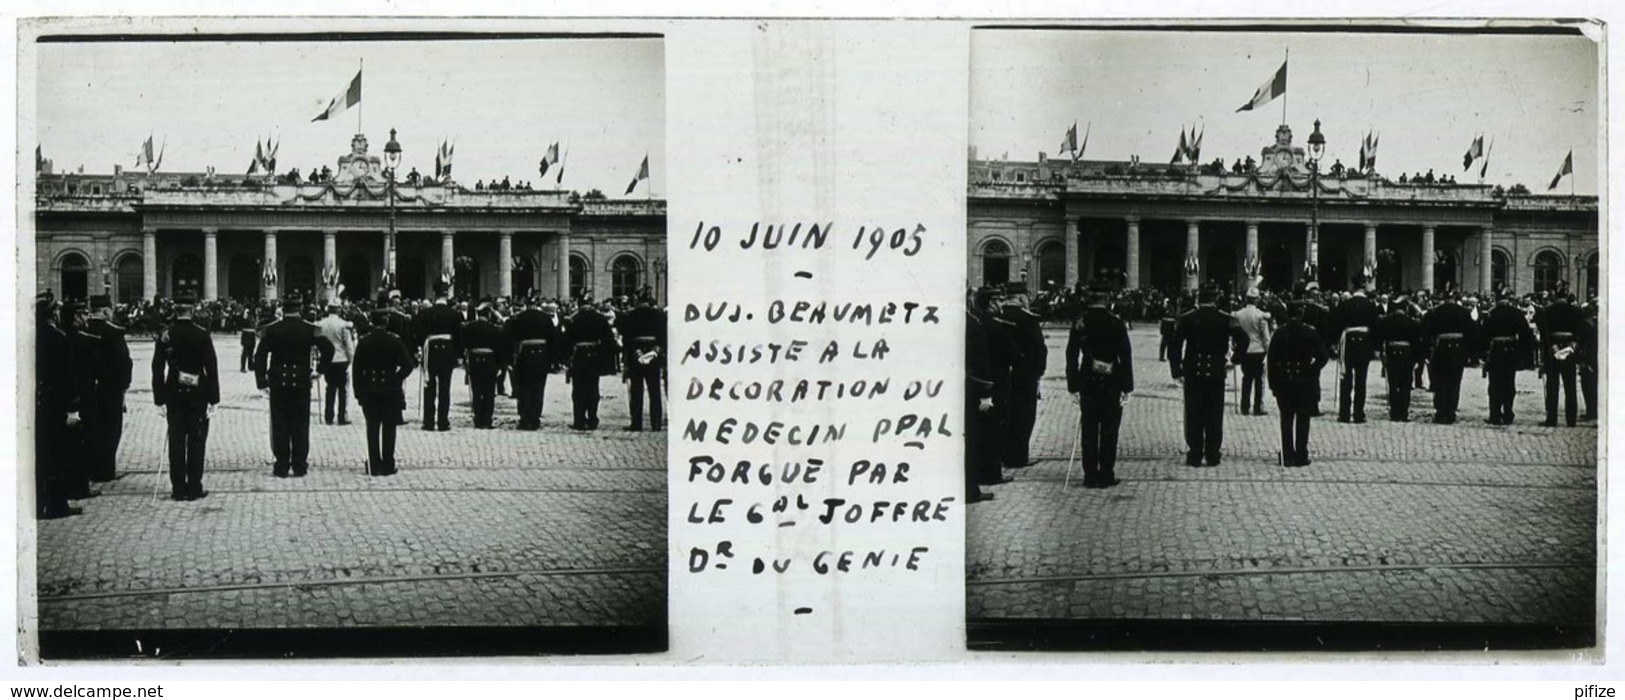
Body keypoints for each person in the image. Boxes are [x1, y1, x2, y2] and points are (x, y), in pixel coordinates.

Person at [254, 293, 333, 477]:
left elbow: (260, 355)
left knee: (280, 423)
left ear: (284, 308)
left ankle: (281, 464)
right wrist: (320, 370)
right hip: (301, 382)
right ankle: (299, 464)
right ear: (300, 308)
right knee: (300, 423)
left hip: (278, 382)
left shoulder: (272, 329)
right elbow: (328, 349)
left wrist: (261, 381)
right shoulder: (310, 329)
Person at [152, 292, 220, 500]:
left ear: (175, 310)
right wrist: (214, 398)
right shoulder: (202, 334)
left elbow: (157, 368)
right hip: (198, 394)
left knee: (176, 441)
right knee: (197, 441)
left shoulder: (166, 335)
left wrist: (159, 398)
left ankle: (178, 489)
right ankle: (194, 487)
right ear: (193, 310)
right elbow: (211, 368)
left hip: (173, 394)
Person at [1065, 283, 1133, 488]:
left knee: (1089, 429)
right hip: (1112, 381)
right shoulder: (1116, 323)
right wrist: (1127, 386)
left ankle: (1090, 475)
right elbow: (1126, 355)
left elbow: (1071, 356)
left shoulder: (1080, 323)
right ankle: (1106, 474)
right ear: (1107, 300)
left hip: (1088, 382)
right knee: (1110, 430)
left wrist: (1073, 385)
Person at [1169, 286, 1246, 467]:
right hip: (1215, 373)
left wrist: (1177, 369)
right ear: (1215, 299)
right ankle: (1212, 454)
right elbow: (1244, 340)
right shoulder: (1226, 319)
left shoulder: (1187, 318)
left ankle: (1194, 453)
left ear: (1199, 298)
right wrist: (1234, 360)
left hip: (1193, 372)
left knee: (1194, 413)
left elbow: (1174, 344)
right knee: (1214, 413)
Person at [352, 309, 416, 476]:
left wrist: (358, 392)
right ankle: (388, 463)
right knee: (389, 427)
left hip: (370, 388)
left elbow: (357, 370)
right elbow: (408, 365)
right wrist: (396, 378)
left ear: (372, 322)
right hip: (390, 389)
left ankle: (374, 464)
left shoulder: (364, 342)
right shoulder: (394, 341)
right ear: (386, 322)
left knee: (372, 427)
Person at [35, 293, 81, 519]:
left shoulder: (27, 337)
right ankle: (56, 506)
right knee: (58, 455)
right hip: (55, 406)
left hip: (35, 405)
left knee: (37, 455)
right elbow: (67, 378)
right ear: (53, 313)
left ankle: (35, 504)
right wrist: (73, 407)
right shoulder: (58, 338)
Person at [1267, 301, 1329, 467]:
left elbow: (1271, 361)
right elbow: (1323, 357)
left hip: (1284, 381)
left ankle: (1287, 455)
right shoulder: (1310, 333)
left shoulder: (1279, 333)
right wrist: (1312, 370)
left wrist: (1273, 384)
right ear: (1302, 314)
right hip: (1305, 381)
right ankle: (1301, 454)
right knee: (1303, 419)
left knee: (1286, 419)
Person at [81, 295, 132, 483]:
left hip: (85, 389)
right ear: (106, 311)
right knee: (110, 429)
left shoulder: (82, 329)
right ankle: (105, 470)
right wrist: (124, 386)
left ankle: (88, 468)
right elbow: (124, 363)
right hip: (109, 390)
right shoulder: (114, 332)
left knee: (89, 428)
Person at [1001, 286, 1046, 467]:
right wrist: (1038, 372)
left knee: (1004, 415)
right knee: (1024, 416)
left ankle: (1001, 454)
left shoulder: (999, 315)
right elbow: (1039, 348)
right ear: (1021, 298)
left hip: (1001, 374)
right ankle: (1018, 457)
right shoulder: (1028, 319)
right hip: (1025, 375)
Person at [506, 293, 563, 430]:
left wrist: (509, 358)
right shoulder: (545, 318)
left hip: (524, 356)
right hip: (541, 356)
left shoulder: (518, 318)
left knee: (524, 387)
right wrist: (553, 360)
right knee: (538, 388)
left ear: (526, 305)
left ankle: (525, 418)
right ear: (537, 305)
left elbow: (510, 339)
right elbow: (553, 339)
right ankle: (535, 418)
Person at [414, 282, 465, 431]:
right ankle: (443, 421)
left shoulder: (425, 313)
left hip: (430, 351)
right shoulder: (454, 313)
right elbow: (458, 336)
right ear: (446, 295)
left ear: (434, 295)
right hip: (447, 352)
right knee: (444, 388)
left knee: (429, 387)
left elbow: (419, 333)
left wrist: (419, 349)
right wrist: (459, 355)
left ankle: (428, 421)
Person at [1421, 292, 1475, 424]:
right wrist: (1469, 353)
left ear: (1443, 299)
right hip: (1458, 350)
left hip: (1442, 349)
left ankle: (1440, 412)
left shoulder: (1435, 312)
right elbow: (1472, 333)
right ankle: (1451, 411)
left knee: (1440, 381)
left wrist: (1426, 351)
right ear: (1456, 299)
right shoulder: (1464, 312)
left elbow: (1425, 331)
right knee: (1455, 381)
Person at [1482, 290, 1535, 425]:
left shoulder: (1490, 314)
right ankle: (1508, 413)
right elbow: (1526, 335)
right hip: (1511, 351)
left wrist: (1483, 354)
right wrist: (1522, 354)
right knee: (1509, 383)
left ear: (1496, 299)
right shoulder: (1516, 313)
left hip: (1495, 352)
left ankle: (1495, 414)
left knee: (1494, 384)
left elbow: (1483, 335)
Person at [1331, 281, 1380, 423]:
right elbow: (1375, 327)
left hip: (1348, 342)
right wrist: (1376, 347)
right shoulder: (1371, 305)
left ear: (1352, 289)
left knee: (1345, 378)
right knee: (1361, 380)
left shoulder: (1345, 304)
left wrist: (1334, 343)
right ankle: (1359, 413)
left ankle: (1344, 413)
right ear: (1363, 289)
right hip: (1364, 343)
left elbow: (1337, 324)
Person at [618, 292, 667, 432]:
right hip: (654, 356)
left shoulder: (630, 316)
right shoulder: (659, 315)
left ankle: (636, 423)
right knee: (655, 390)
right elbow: (664, 337)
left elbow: (626, 338)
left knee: (636, 391)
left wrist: (637, 353)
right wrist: (655, 352)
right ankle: (656, 423)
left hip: (636, 357)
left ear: (637, 300)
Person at [565, 299, 617, 430]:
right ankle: (592, 419)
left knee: (578, 390)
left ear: (579, 305)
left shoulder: (573, 319)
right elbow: (608, 340)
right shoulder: (599, 318)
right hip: (594, 357)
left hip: (578, 357)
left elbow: (565, 341)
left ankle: (579, 420)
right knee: (593, 389)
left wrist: (566, 359)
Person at [1536, 291, 1584, 427]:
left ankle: (1551, 419)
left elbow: (1544, 332)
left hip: (1554, 349)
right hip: (1570, 348)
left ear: (1555, 297)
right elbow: (1581, 330)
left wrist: (1551, 346)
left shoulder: (1548, 311)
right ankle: (1571, 419)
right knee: (1570, 386)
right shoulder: (1575, 310)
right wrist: (1574, 345)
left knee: (1552, 386)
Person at [964, 301, 996, 503]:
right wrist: (986, 393)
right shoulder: (972, 323)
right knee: (970, 440)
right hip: (968, 389)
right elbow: (980, 362)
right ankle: (970, 490)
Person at [1373, 296, 1423, 422]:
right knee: (1406, 384)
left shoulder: (1386, 321)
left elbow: (1379, 337)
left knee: (1393, 383)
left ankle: (1394, 412)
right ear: (1405, 308)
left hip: (1392, 353)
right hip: (1407, 354)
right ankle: (1403, 412)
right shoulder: (1411, 322)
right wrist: (1417, 358)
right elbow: (1416, 342)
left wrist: (1379, 352)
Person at [462, 303, 507, 429]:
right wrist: (499, 365)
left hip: (475, 360)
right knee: (489, 392)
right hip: (489, 361)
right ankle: (487, 420)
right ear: (488, 315)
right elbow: (499, 348)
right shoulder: (494, 328)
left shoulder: (470, 327)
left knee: (476, 391)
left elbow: (465, 344)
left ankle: (478, 419)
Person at [1233, 289, 1272, 416]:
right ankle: (1257, 407)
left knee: (1246, 379)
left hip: (1245, 350)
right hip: (1258, 350)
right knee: (1259, 380)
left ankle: (1244, 406)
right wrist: (1268, 351)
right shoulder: (1261, 315)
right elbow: (1265, 336)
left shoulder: (1239, 314)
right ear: (1256, 300)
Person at [316, 302, 356, 425]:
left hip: (327, 359)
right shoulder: (343, 324)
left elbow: (318, 342)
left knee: (330, 388)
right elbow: (348, 344)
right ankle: (341, 416)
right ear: (338, 310)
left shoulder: (321, 324)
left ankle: (328, 416)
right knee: (342, 389)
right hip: (341, 358)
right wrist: (351, 359)